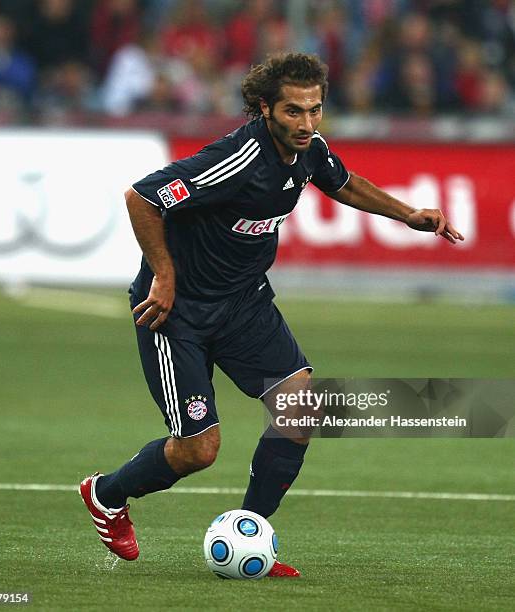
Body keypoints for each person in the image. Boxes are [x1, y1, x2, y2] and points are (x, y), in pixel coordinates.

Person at [80, 52, 464, 577]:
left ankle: (249, 536)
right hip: (177, 312)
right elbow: (142, 198)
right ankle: (107, 493)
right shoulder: (236, 158)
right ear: (265, 109)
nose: (306, 124)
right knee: (198, 451)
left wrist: (408, 214)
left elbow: (342, 182)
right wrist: (163, 275)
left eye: (314, 110)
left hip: (244, 305)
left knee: (300, 412)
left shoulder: (309, 150)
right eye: (292, 112)